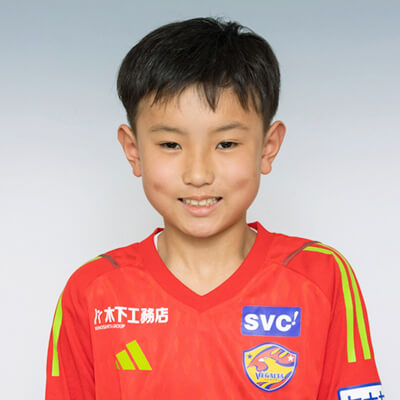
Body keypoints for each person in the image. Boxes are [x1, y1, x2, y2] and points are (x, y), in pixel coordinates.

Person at [45, 17, 383, 399]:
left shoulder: (321, 277)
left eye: (226, 144)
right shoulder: (93, 291)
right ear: (133, 150)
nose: (198, 174)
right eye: (171, 145)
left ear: (268, 147)